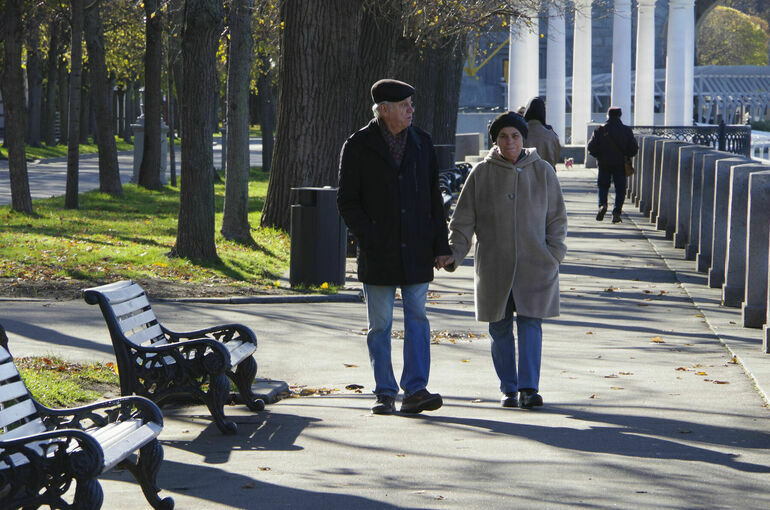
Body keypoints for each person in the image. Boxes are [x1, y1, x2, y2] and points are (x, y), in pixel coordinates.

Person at [337, 79, 452, 415]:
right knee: (381, 326)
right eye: (405, 105)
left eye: (411, 105)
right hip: (379, 251)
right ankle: (384, 392)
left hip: (416, 249)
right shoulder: (358, 145)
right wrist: (369, 235)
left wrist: (440, 245)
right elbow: (347, 201)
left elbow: (434, 199)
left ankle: (416, 389)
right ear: (383, 110)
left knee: (418, 318)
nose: (411, 110)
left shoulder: (422, 143)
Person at [439, 111, 568, 409]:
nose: (509, 141)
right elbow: (462, 222)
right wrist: (454, 253)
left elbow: (557, 218)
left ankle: (529, 388)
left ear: (523, 139)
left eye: (515, 136)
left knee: (530, 324)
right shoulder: (481, 173)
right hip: (494, 264)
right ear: (494, 141)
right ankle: (508, 387)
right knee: (499, 327)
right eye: (503, 136)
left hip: (536, 264)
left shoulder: (543, 171)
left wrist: (554, 254)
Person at [586, 106, 639, 223]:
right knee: (620, 189)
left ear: (608, 115)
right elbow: (634, 149)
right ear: (620, 115)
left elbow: (591, 148)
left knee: (603, 186)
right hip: (620, 164)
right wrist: (627, 156)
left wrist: (599, 156)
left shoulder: (600, 130)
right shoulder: (626, 130)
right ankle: (616, 212)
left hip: (604, 163)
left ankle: (602, 205)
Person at [523, 97, 561, 169]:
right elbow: (556, 157)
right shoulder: (552, 135)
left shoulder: (518, 134)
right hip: (547, 175)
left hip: (524, 176)